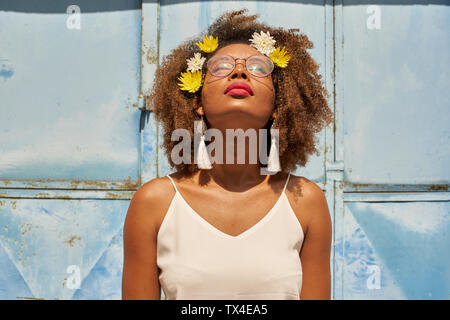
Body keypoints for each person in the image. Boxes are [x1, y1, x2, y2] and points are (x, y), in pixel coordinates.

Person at [122, 8, 333, 300]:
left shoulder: (305, 202)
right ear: (197, 101)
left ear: (278, 105)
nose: (239, 71)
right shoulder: (154, 203)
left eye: (259, 67)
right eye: (220, 66)